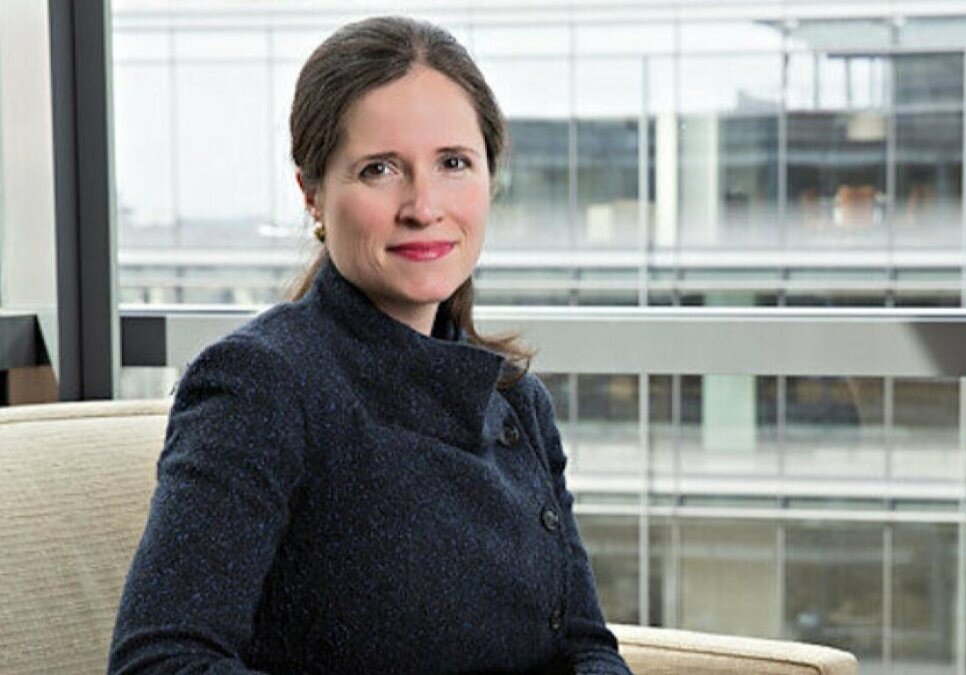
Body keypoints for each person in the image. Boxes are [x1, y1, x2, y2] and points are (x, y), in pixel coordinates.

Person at [109, 16, 631, 675]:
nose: (423, 206)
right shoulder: (261, 384)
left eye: (453, 163)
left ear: (489, 177)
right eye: (379, 169)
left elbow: (585, 646)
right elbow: (158, 661)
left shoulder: (518, 403)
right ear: (312, 194)